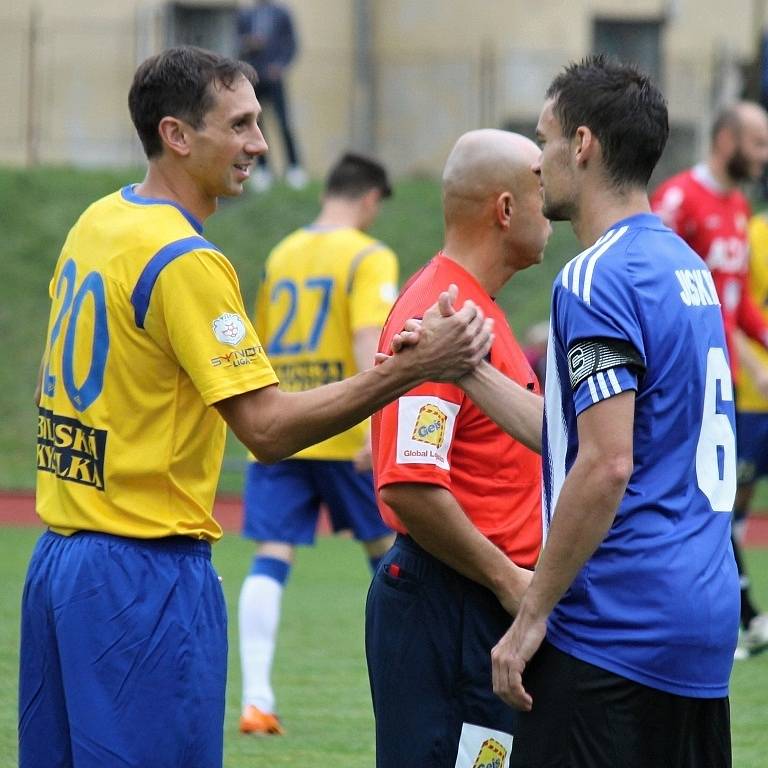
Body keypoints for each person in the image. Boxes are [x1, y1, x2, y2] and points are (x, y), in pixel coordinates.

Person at [21, 46, 493, 768]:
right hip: (140, 578)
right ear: (178, 135)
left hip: (58, 562)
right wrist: (413, 370)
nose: (260, 145)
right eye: (240, 124)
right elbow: (267, 430)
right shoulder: (187, 261)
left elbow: (46, 388)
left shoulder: (97, 223)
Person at [422, 56, 738, 766]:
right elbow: (589, 435)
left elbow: (605, 463)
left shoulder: (597, 277)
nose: (536, 163)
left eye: (544, 139)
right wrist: (465, 368)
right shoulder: (685, 268)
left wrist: (531, 615)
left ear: (584, 146)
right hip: (700, 623)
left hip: (616, 629)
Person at [365, 129, 550, 768]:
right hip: (452, 602)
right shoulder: (439, 312)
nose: (551, 209)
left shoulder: (479, 312)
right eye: (541, 190)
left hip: (481, 600)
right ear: (504, 209)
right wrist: (509, 583)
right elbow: (410, 485)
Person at [238, 151, 398, 735]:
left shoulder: (284, 252)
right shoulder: (367, 253)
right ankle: (407, 697)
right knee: (390, 562)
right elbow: (367, 342)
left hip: (285, 426)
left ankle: (256, 700)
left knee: (270, 556)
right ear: (369, 199)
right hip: (347, 431)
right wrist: (380, 428)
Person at [651, 101, 768, 659]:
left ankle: (738, 618)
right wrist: (746, 364)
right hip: (686, 382)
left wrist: (757, 350)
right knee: (700, 499)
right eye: (758, 143)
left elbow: (739, 307)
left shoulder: (739, 206)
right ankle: (736, 618)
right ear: (726, 140)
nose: (764, 156)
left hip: (722, 383)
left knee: (716, 499)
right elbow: (651, 281)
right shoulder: (678, 199)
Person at [731, 213, 768, 658]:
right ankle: (747, 614)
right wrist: (756, 367)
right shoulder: (751, 234)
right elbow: (731, 305)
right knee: (730, 505)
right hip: (752, 403)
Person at [236, 0, 306, 191]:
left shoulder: (282, 13)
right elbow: (237, 43)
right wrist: (249, 43)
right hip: (254, 78)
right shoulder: (245, 15)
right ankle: (263, 169)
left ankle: (294, 167)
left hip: (274, 77)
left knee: (284, 122)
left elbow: (291, 44)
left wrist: (280, 66)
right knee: (256, 125)